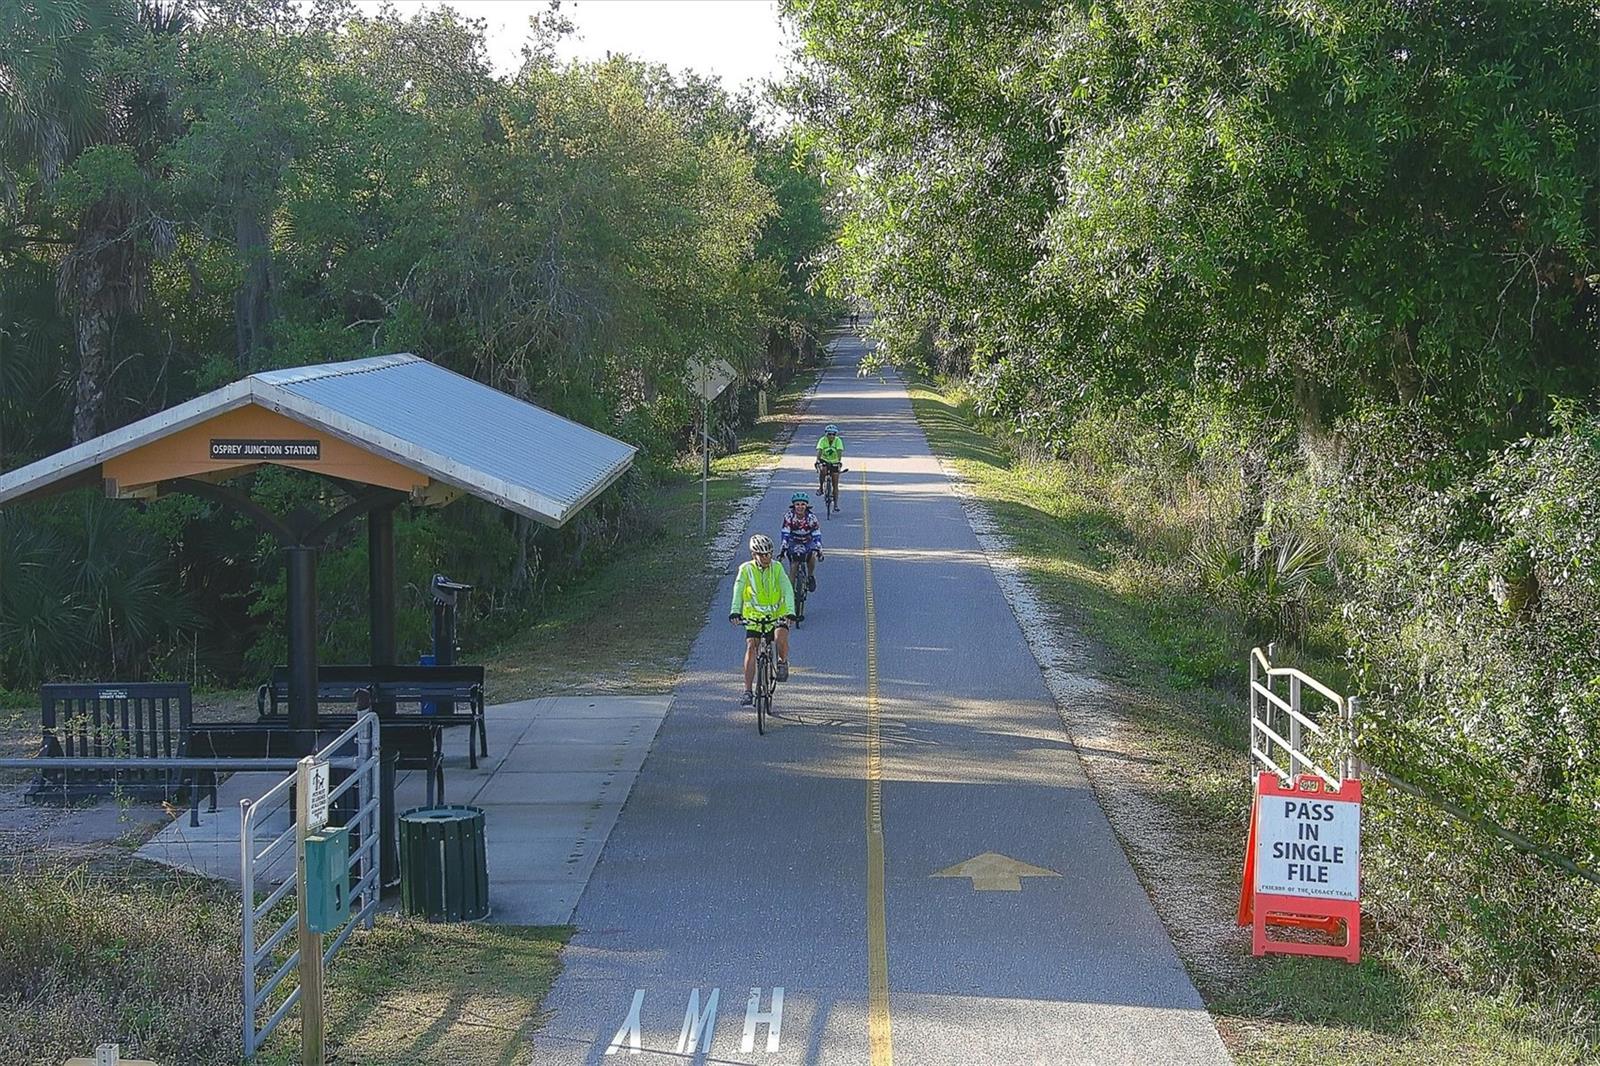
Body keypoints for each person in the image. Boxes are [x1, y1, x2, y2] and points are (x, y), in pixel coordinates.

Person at [729, 533, 795, 706]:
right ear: (754, 555)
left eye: (768, 554)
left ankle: (782, 662)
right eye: (762, 554)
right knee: (752, 646)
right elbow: (738, 589)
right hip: (754, 617)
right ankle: (748, 691)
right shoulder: (745, 569)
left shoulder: (778, 567)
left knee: (780, 637)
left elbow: (787, 588)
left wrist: (790, 612)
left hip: (777, 615)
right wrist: (735, 611)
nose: (766, 557)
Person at [780, 492, 823, 596]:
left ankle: (810, 576)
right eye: (797, 504)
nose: (800, 507)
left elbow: (816, 532)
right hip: (793, 540)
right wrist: (784, 544)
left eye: (803, 504)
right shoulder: (789, 516)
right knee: (794, 563)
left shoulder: (811, 517)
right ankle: (790, 591)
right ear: (794, 506)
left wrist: (819, 545)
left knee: (812, 555)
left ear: (806, 506)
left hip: (808, 540)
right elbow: (785, 531)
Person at [816, 424, 844, 509]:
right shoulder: (822, 440)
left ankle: (835, 505)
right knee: (823, 470)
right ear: (826, 434)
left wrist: (839, 461)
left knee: (835, 483)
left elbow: (839, 451)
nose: (831, 436)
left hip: (834, 461)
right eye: (829, 434)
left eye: (833, 434)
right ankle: (821, 487)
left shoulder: (838, 440)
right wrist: (818, 460)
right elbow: (819, 450)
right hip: (824, 459)